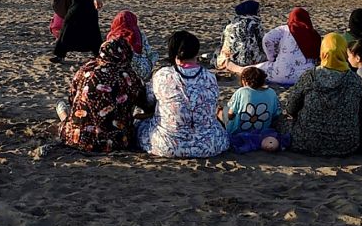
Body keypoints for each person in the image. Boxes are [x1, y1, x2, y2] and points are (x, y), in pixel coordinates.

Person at [138, 31, 230, 159]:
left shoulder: (162, 75)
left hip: (168, 145)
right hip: (211, 144)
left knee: (140, 124)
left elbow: (148, 100)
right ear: (196, 52)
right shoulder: (209, 77)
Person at [56, 36, 149, 154]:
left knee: (68, 116)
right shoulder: (127, 75)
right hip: (115, 142)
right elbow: (143, 102)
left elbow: (72, 99)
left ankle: (61, 112)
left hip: (77, 138)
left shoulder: (85, 69)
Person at [282, 32, 362, 156]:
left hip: (306, 142)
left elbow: (291, 108)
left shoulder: (310, 76)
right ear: (344, 53)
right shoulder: (355, 80)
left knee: (280, 121)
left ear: (323, 53)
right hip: (346, 144)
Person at [226, 7, 317, 87]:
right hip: (306, 77)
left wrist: (271, 57)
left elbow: (267, 39)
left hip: (280, 74)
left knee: (254, 70)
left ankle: (233, 67)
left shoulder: (285, 29)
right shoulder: (313, 34)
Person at [218, 66, 283, 154]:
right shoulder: (271, 92)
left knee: (221, 111)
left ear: (245, 81)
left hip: (238, 130)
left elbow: (230, 115)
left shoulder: (241, 91)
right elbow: (276, 114)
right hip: (263, 128)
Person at [216, 0, 266, 69]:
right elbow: (262, 42)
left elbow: (222, 41)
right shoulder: (255, 23)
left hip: (226, 59)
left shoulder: (231, 23)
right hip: (247, 61)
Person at [106, 9, 153, 81]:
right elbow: (147, 51)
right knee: (153, 55)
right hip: (139, 71)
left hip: (115, 73)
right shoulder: (138, 34)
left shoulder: (111, 37)